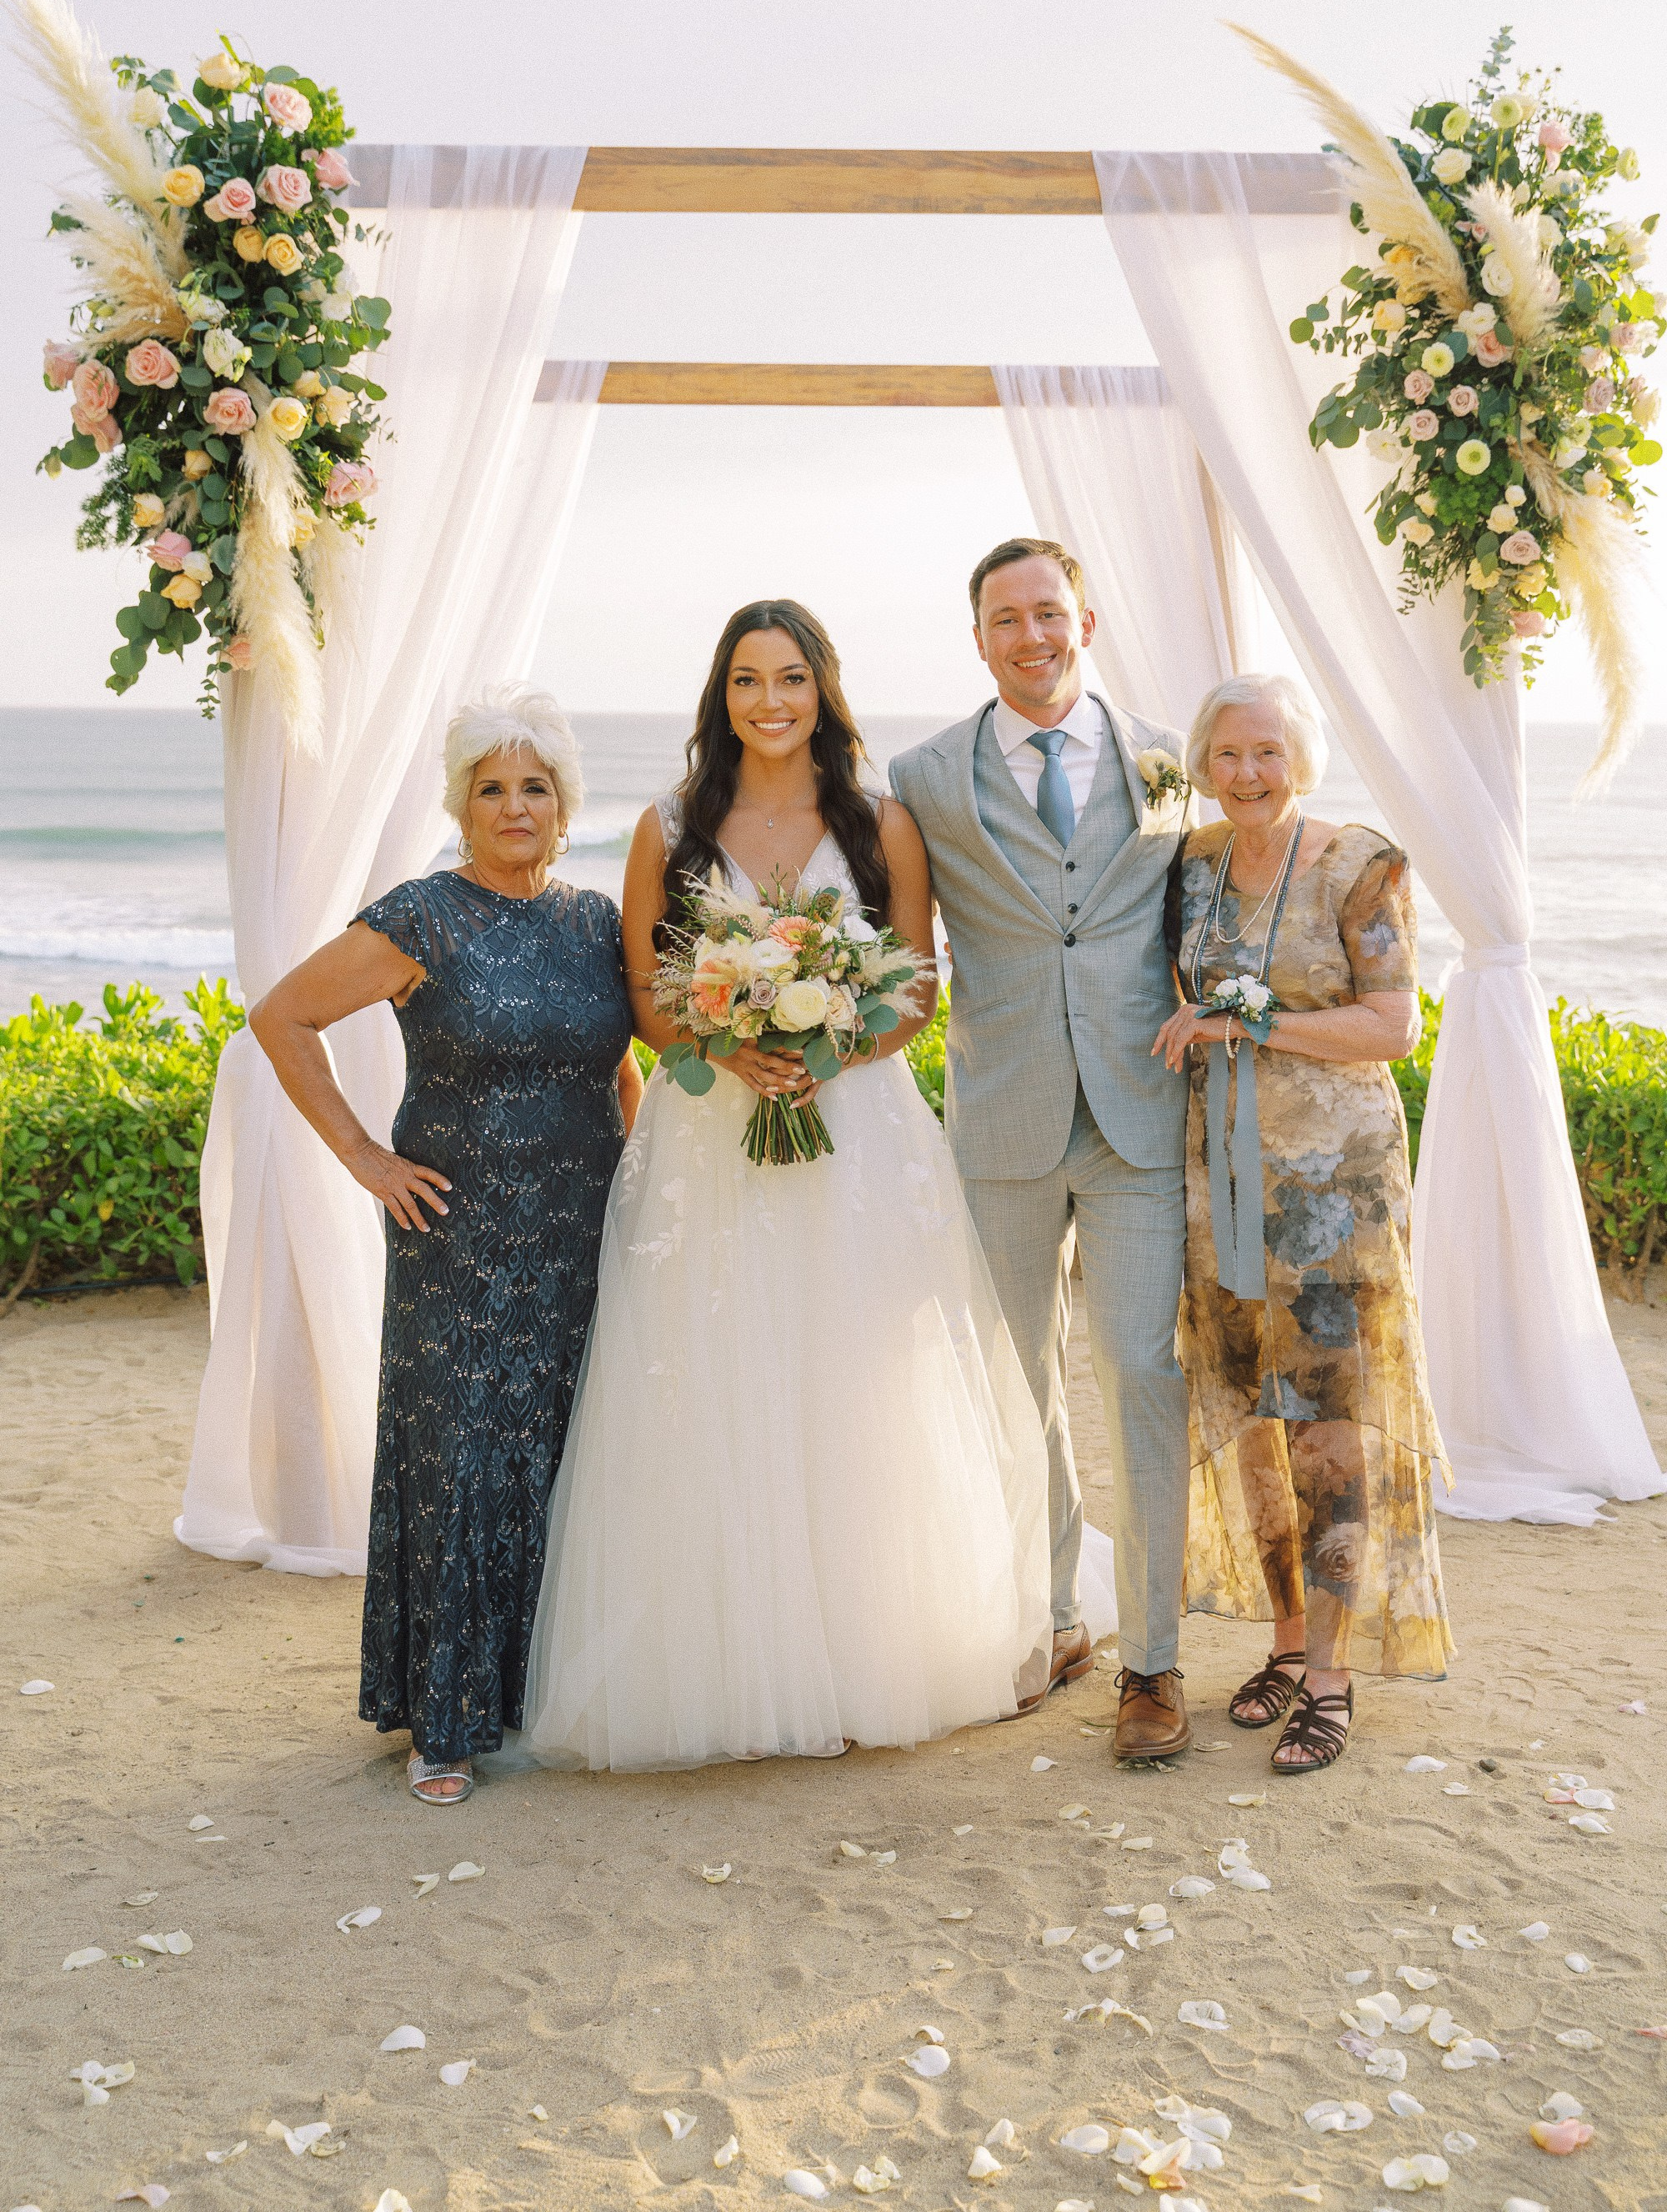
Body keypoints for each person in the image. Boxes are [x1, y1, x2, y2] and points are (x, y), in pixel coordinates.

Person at [513, 600, 1052, 1771]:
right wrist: (727, 1050)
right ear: (723, 694)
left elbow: (915, 989)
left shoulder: (881, 825)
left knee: (853, 1374)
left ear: (823, 689)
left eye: (792, 678)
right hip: (711, 1134)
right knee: (717, 1372)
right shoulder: (670, 826)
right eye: (750, 680)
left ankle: (869, 1648)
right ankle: (730, 1658)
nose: (771, 702)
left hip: (855, 1130)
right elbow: (650, 1000)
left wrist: (829, 1053)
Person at [248, 684, 640, 1803]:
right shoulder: (421, 917)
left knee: (571, 1453)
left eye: (535, 788)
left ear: (565, 805)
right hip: (457, 1238)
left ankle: (542, 1696)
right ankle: (446, 1722)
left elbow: (617, 1067)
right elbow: (281, 1016)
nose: (515, 806)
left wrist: (650, 1187)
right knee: (464, 1457)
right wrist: (367, 1158)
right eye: (491, 789)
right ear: (462, 804)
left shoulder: (596, 923)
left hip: (580, 1231)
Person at [890, 538, 1195, 1761]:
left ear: (1088, 620)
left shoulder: (1169, 763)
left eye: (1051, 613)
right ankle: (1052, 1619)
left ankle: (1155, 1661)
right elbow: (897, 943)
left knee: (1138, 1372)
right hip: (1002, 1116)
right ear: (977, 637)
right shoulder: (920, 777)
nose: (1033, 635)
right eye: (1006, 618)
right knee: (1015, 1387)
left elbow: (1207, 907)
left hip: (1137, 1113)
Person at [1154, 673, 1452, 1774]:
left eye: (1267, 752)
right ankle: (1282, 1641)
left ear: (1304, 757)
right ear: (1202, 762)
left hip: (1332, 1194)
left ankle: (1330, 1672)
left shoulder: (1360, 866)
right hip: (1216, 1187)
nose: (1246, 773)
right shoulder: (1187, 867)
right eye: (1227, 754)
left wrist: (1255, 1020)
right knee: (1254, 1423)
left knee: (1331, 1427)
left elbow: (1391, 1027)